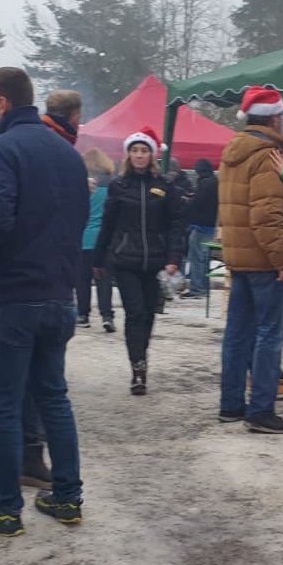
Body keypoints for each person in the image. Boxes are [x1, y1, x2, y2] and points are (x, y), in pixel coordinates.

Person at [0, 67, 89, 538]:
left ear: (0, 103)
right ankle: (67, 496)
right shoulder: (67, 153)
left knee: (3, 405)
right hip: (58, 294)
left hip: (12, 297)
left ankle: (4, 507)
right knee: (53, 397)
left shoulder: (2, 148)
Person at [216, 86, 283, 435]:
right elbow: (267, 215)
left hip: (239, 257)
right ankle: (261, 408)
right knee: (270, 333)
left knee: (237, 333)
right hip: (266, 260)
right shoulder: (268, 155)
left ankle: (231, 403)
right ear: (275, 117)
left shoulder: (232, 151)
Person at [93, 127, 186, 396]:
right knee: (134, 313)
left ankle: (141, 354)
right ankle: (138, 368)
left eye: (143, 150)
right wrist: (98, 258)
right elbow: (108, 224)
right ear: (128, 154)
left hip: (156, 261)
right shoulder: (118, 186)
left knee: (147, 314)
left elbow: (175, 224)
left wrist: (173, 257)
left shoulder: (165, 186)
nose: (139, 155)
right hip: (125, 260)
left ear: (152, 154)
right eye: (134, 150)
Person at [79, 150, 117, 330]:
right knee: (104, 279)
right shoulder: (111, 184)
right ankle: (107, 315)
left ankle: (83, 314)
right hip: (104, 240)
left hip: (83, 238)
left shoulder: (82, 184)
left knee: (82, 279)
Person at [182, 158, 218, 299]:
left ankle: (197, 288)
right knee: (205, 258)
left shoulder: (204, 183)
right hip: (212, 226)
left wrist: (188, 200)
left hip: (200, 225)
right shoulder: (215, 181)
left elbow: (198, 203)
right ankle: (205, 287)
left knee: (196, 258)